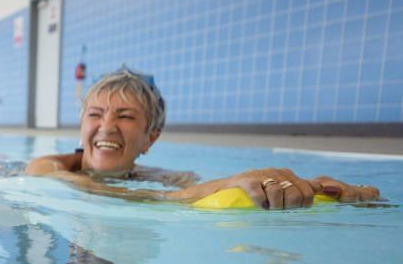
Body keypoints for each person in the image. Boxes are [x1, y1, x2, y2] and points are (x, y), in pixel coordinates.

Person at [26, 68, 381, 209]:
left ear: (151, 137)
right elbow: (97, 191)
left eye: (125, 115)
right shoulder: (46, 166)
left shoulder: (165, 178)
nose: (107, 126)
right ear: (81, 127)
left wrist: (305, 187)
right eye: (95, 114)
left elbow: (217, 189)